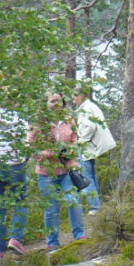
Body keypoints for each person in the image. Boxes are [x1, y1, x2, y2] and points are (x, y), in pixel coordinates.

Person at [29, 92, 87, 251]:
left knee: (73, 200)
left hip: (67, 170)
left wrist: (71, 151)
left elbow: (76, 140)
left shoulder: (69, 120)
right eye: (52, 101)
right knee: (51, 209)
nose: (57, 103)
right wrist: (50, 153)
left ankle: (79, 235)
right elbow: (31, 149)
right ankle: (52, 242)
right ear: (45, 104)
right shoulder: (38, 125)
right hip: (47, 173)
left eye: (59, 100)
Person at [0, 105, 29, 259]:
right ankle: (15, 238)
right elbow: (26, 140)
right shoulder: (18, 116)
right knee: (20, 202)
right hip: (14, 164)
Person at [73, 84, 114, 214]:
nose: (73, 100)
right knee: (91, 174)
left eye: (74, 97)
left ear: (80, 96)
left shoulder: (87, 108)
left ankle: (94, 206)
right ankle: (96, 203)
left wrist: (80, 141)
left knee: (86, 175)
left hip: (87, 146)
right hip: (91, 146)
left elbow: (89, 127)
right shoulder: (90, 107)